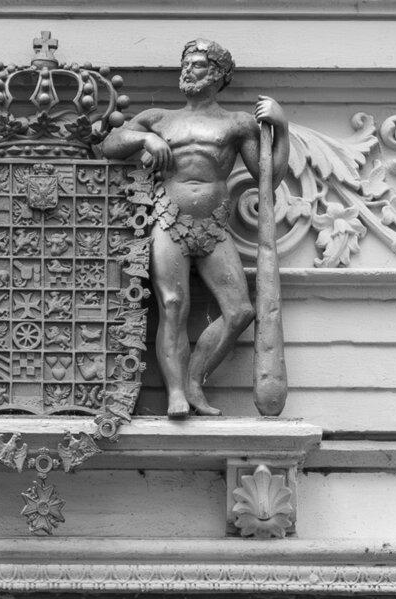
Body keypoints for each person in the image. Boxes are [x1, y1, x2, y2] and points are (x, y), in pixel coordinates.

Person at [100, 40, 288, 418]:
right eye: (185, 63)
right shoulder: (159, 118)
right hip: (168, 219)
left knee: (240, 311)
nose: (187, 70)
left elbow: (268, 177)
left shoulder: (237, 123)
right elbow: (110, 143)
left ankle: (194, 380)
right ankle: (176, 395)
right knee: (172, 305)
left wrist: (281, 128)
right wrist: (144, 137)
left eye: (198, 64)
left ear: (217, 75)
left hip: (214, 225)